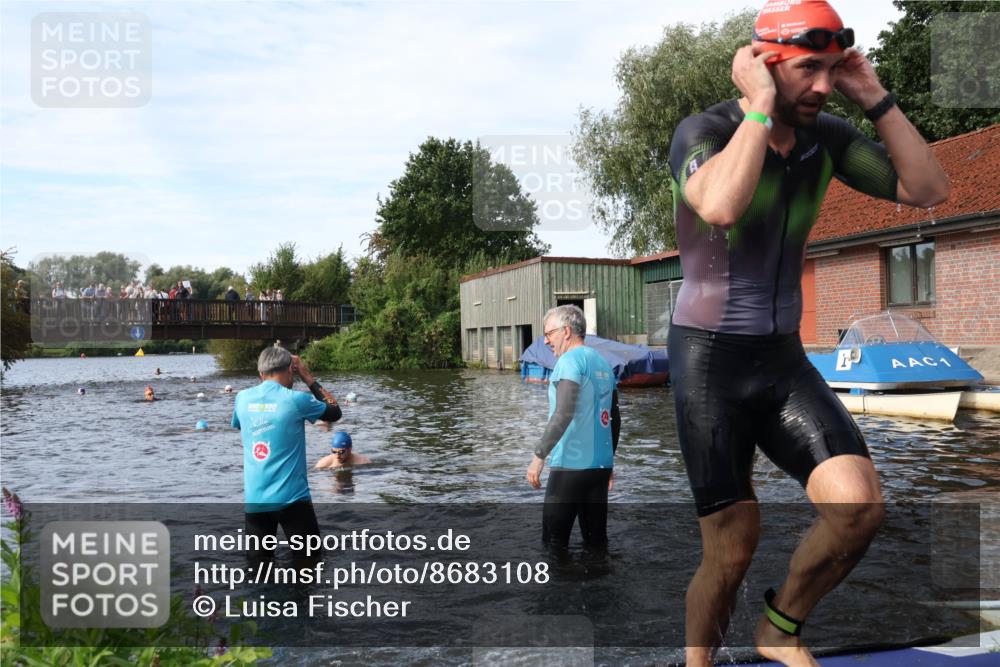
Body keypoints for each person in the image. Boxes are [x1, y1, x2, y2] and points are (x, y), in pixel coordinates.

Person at [665, 2, 949, 665]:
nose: (822, 86)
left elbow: (929, 188)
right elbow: (720, 205)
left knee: (859, 507)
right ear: (763, 64)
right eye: (807, 69)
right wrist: (760, 106)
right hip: (709, 362)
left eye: (831, 70)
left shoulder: (830, 138)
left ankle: (779, 628)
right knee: (731, 546)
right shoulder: (703, 130)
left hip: (783, 359)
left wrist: (875, 96)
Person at [231, 347, 342, 567]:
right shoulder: (296, 399)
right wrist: (307, 376)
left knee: (259, 569)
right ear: (291, 370)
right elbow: (335, 412)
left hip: (256, 501)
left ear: (261, 373)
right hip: (293, 501)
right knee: (310, 565)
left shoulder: (242, 398)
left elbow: (240, 425)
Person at [525, 305, 620, 552]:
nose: (546, 341)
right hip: (599, 468)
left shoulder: (569, 361)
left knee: (553, 547)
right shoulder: (603, 364)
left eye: (549, 333)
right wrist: (609, 463)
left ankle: (558, 591)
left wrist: (539, 455)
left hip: (569, 467)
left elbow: (564, 412)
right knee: (596, 545)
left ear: (566, 331)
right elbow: (614, 419)